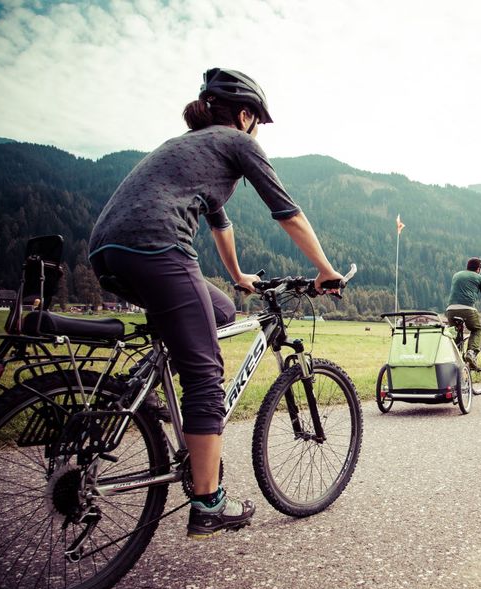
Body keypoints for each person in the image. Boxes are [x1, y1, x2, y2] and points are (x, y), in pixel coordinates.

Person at [88, 68, 344, 539]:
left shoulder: (188, 147)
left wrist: (237, 277)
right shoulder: (237, 142)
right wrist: (326, 270)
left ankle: (158, 398)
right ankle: (208, 503)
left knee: (222, 311)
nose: (257, 132)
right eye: (257, 122)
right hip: (157, 248)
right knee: (206, 375)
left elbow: (218, 223)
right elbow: (286, 211)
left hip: (108, 252)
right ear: (245, 115)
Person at [445, 257, 481, 366]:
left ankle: (454, 362)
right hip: (467, 309)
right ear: (479, 269)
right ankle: (471, 353)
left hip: (450, 310)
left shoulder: (456, 275)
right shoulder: (479, 277)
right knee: (477, 330)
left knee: (455, 337)